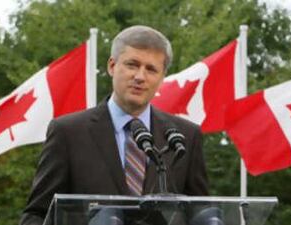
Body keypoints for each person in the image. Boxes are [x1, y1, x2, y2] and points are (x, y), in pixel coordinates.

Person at [19, 25, 208, 225]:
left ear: (161, 78)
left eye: (151, 69)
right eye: (132, 65)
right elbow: (36, 214)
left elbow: (201, 214)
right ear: (111, 66)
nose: (140, 77)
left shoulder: (184, 136)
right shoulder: (68, 133)